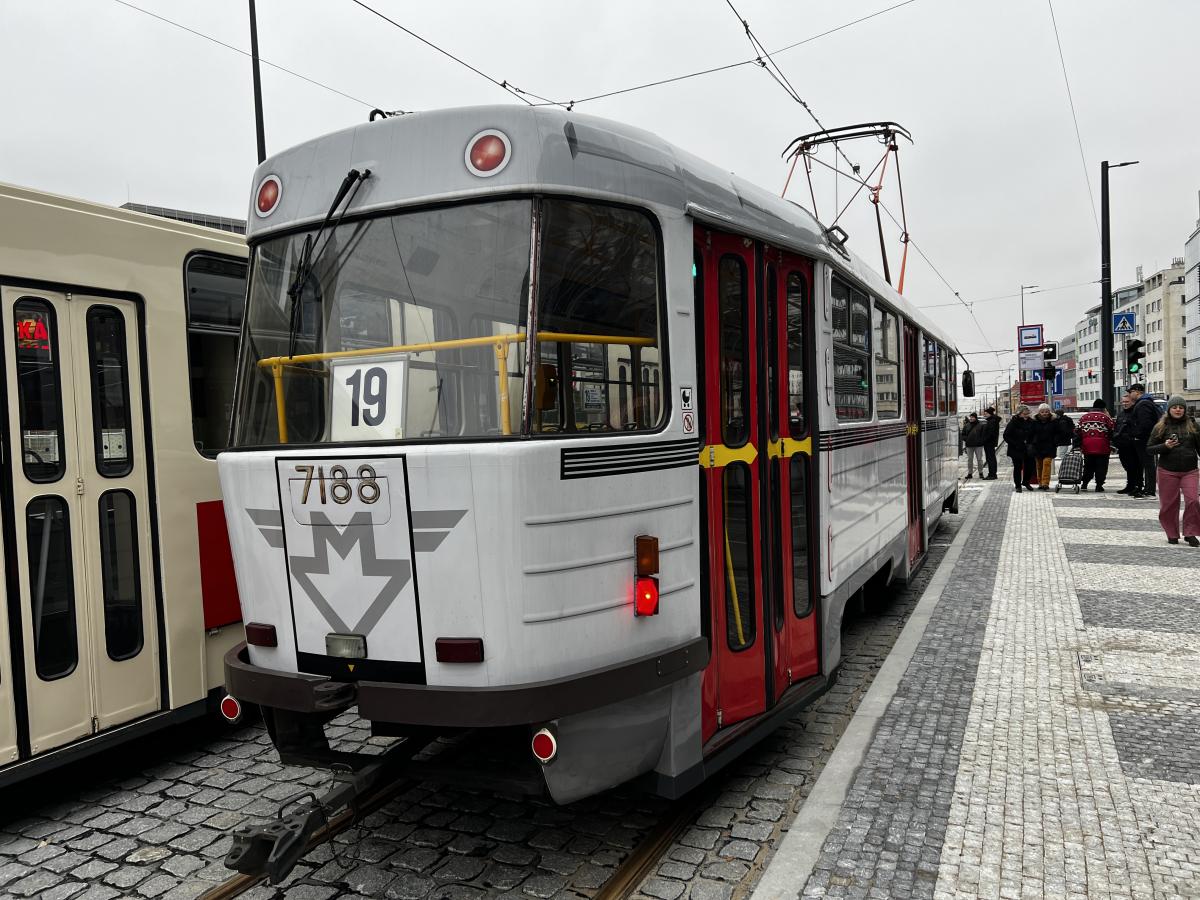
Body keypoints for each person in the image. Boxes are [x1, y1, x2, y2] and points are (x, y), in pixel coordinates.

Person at [1145, 396, 1200, 546]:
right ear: (1169, 409)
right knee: (1169, 504)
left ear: (1184, 409)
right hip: (1167, 470)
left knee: (1193, 501)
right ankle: (1172, 533)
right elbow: (1149, 449)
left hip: (1190, 470)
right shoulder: (1160, 426)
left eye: (1181, 407)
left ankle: (1190, 533)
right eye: (1175, 407)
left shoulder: (1193, 425)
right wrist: (1165, 446)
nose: (1178, 410)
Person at [1128, 383, 1161, 499]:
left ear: (1137, 391)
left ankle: (1149, 491)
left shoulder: (1143, 404)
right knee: (1148, 464)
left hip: (1145, 439)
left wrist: (1137, 434)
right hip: (1146, 438)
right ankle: (1147, 489)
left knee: (1148, 465)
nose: (1129, 394)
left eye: (1130, 392)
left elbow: (1145, 423)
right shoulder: (1146, 402)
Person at [1076, 398, 1114, 491]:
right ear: (1104, 408)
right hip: (1102, 446)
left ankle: (1084, 484)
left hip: (1087, 446)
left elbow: (1077, 431)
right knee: (1101, 466)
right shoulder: (1106, 417)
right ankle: (1099, 485)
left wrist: (1079, 444)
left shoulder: (1084, 417)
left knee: (1088, 465)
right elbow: (1112, 430)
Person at [1113, 392, 1140, 494]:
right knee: (1127, 466)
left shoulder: (1135, 413)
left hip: (1132, 444)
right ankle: (1130, 485)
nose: (1124, 404)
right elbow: (1116, 427)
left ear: (1132, 402)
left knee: (1133, 466)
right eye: (1123, 402)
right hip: (1122, 444)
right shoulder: (1121, 414)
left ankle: (1134, 485)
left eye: (1127, 402)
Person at [1003, 405, 1035, 492]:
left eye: (1027, 414)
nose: (1026, 416)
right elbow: (1006, 436)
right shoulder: (1013, 422)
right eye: (1024, 414)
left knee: (1029, 466)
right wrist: (1016, 443)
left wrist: (1032, 442)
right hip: (1016, 448)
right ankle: (1018, 485)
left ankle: (1026, 482)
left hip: (1028, 448)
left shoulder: (1031, 422)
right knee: (1018, 467)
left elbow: (1034, 434)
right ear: (1019, 413)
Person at [1030, 403, 1058, 490]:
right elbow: (1031, 433)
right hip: (1037, 446)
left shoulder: (1054, 421)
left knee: (1047, 463)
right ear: (1039, 412)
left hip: (1050, 446)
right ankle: (1040, 483)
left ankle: (1045, 483)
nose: (1044, 413)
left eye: (1046, 411)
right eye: (1042, 412)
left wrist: (1055, 442)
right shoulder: (1034, 422)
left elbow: (1058, 433)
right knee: (1039, 465)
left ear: (1049, 412)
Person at [961, 412, 986, 479]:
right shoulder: (967, 425)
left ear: (975, 418)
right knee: (970, 460)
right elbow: (963, 434)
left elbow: (983, 435)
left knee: (979, 459)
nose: (971, 418)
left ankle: (981, 472)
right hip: (969, 445)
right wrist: (966, 439)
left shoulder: (980, 425)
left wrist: (980, 441)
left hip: (978, 445)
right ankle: (970, 473)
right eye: (970, 417)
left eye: (972, 417)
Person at [982, 406, 1001, 479]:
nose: (985, 414)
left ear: (990, 413)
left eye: (986, 413)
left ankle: (992, 474)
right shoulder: (992, 420)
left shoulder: (992, 421)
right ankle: (993, 474)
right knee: (991, 458)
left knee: (990, 459)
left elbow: (990, 433)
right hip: (990, 442)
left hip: (989, 443)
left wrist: (984, 440)